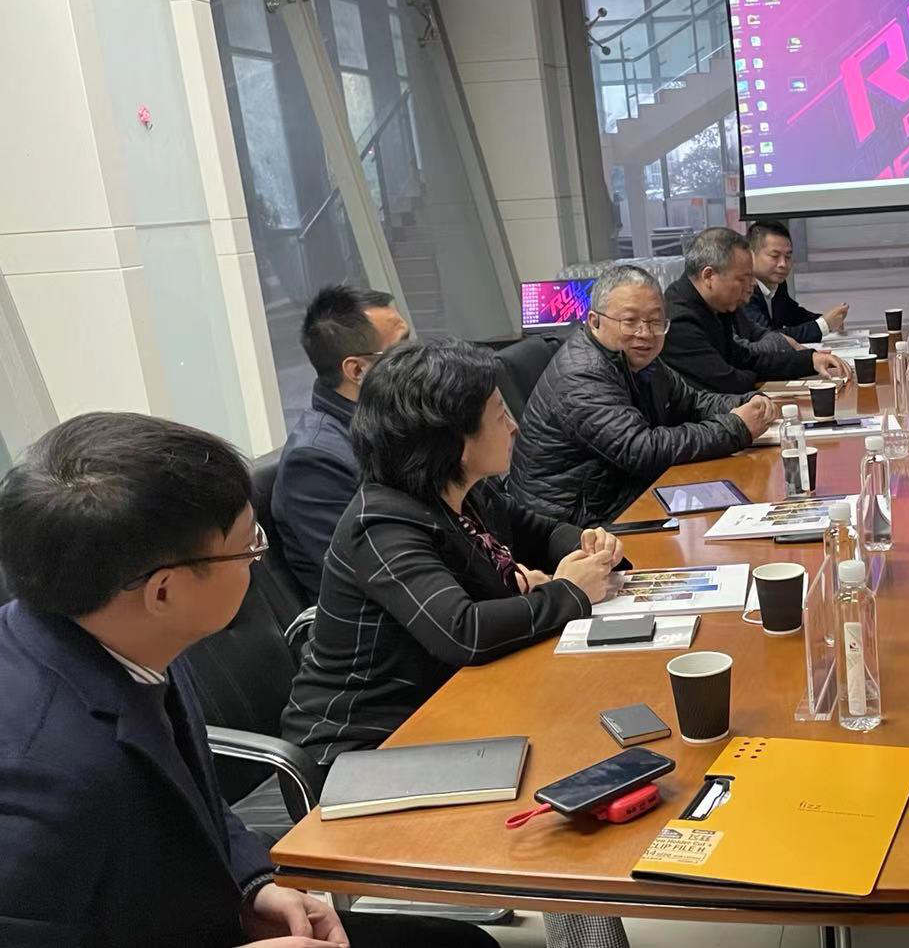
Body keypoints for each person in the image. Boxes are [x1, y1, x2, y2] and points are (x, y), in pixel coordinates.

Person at [0, 412, 494, 947]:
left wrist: (253, 884)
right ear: (164, 591)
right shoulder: (42, 774)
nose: (258, 560)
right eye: (248, 546)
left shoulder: (121, 629)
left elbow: (193, 797)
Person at [282, 340, 623, 763]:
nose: (514, 426)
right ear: (455, 442)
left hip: (452, 705)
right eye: (500, 415)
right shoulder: (380, 525)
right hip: (363, 748)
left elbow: (543, 533)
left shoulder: (465, 491)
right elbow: (464, 633)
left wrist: (591, 545)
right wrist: (570, 591)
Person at [509, 265, 777, 527]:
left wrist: (747, 403)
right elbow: (641, 449)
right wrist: (736, 427)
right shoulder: (582, 375)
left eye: (655, 321)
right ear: (594, 321)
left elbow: (692, 402)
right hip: (572, 526)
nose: (645, 333)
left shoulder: (637, 359)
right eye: (630, 321)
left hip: (620, 496)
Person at [273, 285, 410, 602]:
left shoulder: (397, 419)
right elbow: (376, 575)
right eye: (402, 351)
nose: (419, 359)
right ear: (357, 370)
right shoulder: (314, 462)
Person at [661, 227, 854, 394]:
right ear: (709, 276)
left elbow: (745, 359)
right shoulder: (679, 320)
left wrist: (810, 360)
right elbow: (727, 381)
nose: (751, 285)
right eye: (742, 278)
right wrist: (756, 374)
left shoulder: (715, 305)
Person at [742, 220, 849, 343]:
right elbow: (767, 338)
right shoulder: (743, 290)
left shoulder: (778, 284)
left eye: (788, 256)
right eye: (775, 256)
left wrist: (826, 319)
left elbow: (793, 314)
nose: (783, 264)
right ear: (751, 256)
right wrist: (823, 325)